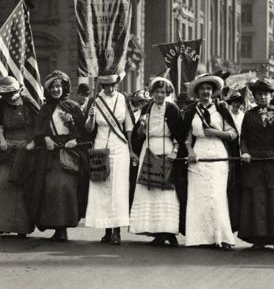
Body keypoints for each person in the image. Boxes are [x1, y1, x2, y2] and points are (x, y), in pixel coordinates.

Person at [29, 70, 88, 241]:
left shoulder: (73, 107)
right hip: (50, 154)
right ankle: (55, 226)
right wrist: (46, 137)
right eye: (53, 87)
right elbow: (38, 130)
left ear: (64, 87)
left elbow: (83, 131)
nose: (56, 89)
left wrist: (74, 139)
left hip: (69, 153)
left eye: (58, 86)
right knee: (49, 187)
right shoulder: (45, 108)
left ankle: (64, 227)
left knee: (65, 187)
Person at [183, 74, 239, 249]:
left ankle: (221, 237)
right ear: (198, 92)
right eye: (202, 89)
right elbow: (186, 138)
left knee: (216, 197)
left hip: (218, 154)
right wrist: (190, 151)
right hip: (198, 157)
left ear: (213, 91)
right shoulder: (192, 111)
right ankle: (200, 237)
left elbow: (233, 134)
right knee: (198, 198)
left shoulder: (221, 109)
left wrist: (217, 133)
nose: (205, 92)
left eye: (208, 89)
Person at [129, 77, 185, 246]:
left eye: (163, 92)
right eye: (157, 92)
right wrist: (142, 127)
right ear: (152, 93)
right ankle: (156, 232)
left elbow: (180, 134)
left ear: (167, 93)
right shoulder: (146, 108)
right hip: (149, 151)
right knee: (150, 191)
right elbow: (137, 135)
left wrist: (175, 152)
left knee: (167, 193)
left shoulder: (172, 109)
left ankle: (169, 231)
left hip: (166, 151)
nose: (160, 95)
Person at [239, 79, 274, 252]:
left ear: (270, 96)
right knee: (257, 199)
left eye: (265, 94)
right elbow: (243, 137)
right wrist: (244, 152)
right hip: (253, 163)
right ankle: (258, 238)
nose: (262, 97)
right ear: (254, 97)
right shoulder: (249, 115)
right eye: (258, 94)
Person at [85, 74, 135, 245]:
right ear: (101, 87)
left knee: (119, 189)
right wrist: (91, 116)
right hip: (100, 146)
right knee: (103, 189)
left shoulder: (123, 99)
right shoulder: (96, 101)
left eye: (113, 85)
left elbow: (128, 125)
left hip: (120, 147)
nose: (111, 89)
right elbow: (89, 129)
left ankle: (117, 231)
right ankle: (107, 229)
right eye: (107, 86)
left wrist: (130, 148)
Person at [0, 76, 38, 237]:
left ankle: (22, 227)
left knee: (23, 185)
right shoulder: (1, 105)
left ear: (18, 91)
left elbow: (39, 124)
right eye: (4, 94)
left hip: (26, 150)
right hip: (8, 151)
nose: (8, 97)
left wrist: (32, 141)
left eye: (11, 93)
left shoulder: (28, 104)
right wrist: (1, 139)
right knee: (2, 181)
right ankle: (2, 224)